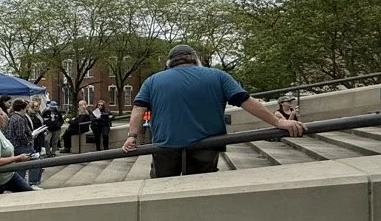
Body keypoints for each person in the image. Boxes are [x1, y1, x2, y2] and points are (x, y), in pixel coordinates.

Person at [121, 43, 307, 177]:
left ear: (169, 62)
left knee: (162, 188)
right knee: (201, 187)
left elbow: (138, 108)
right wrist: (279, 122)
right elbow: (246, 101)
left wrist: (132, 136)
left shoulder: (153, 80)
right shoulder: (218, 76)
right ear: (195, 59)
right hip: (205, 145)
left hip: (165, 145)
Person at [0, 104, 34, 195]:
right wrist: (18, 158)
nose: (4, 116)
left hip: (8, 174)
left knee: (29, 193)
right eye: (1, 114)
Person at [5, 100, 43, 189]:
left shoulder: (13, 117)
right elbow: (20, 135)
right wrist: (29, 140)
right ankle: (33, 182)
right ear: (22, 108)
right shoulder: (19, 119)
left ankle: (20, 183)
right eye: (26, 108)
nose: (27, 110)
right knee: (36, 162)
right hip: (22, 146)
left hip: (15, 146)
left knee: (20, 167)